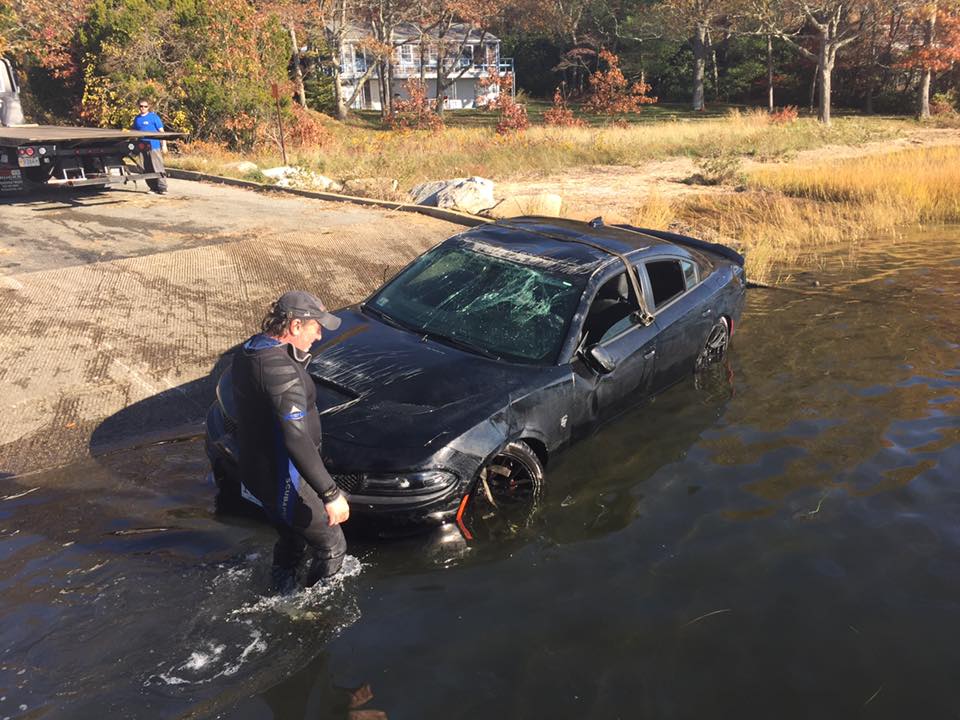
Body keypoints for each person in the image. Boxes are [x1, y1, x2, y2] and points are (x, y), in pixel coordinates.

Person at [232, 290, 350, 594]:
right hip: (286, 477)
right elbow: (296, 439)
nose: (320, 334)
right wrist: (330, 493)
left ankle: (281, 593)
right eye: (316, 327)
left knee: (293, 537)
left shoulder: (251, 350)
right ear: (296, 326)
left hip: (261, 471)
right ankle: (311, 613)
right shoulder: (280, 371)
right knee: (332, 544)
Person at [131, 98, 168, 194]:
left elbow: (162, 132)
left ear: (149, 107)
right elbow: (134, 133)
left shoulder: (154, 117)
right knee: (146, 168)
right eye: (141, 106)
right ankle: (153, 187)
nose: (143, 108)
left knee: (157, 167)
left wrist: (164, 145)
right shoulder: (137, 119)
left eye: (145, 106)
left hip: (154, 146)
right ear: (138, 106)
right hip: (142, 147)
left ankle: (162, 188)